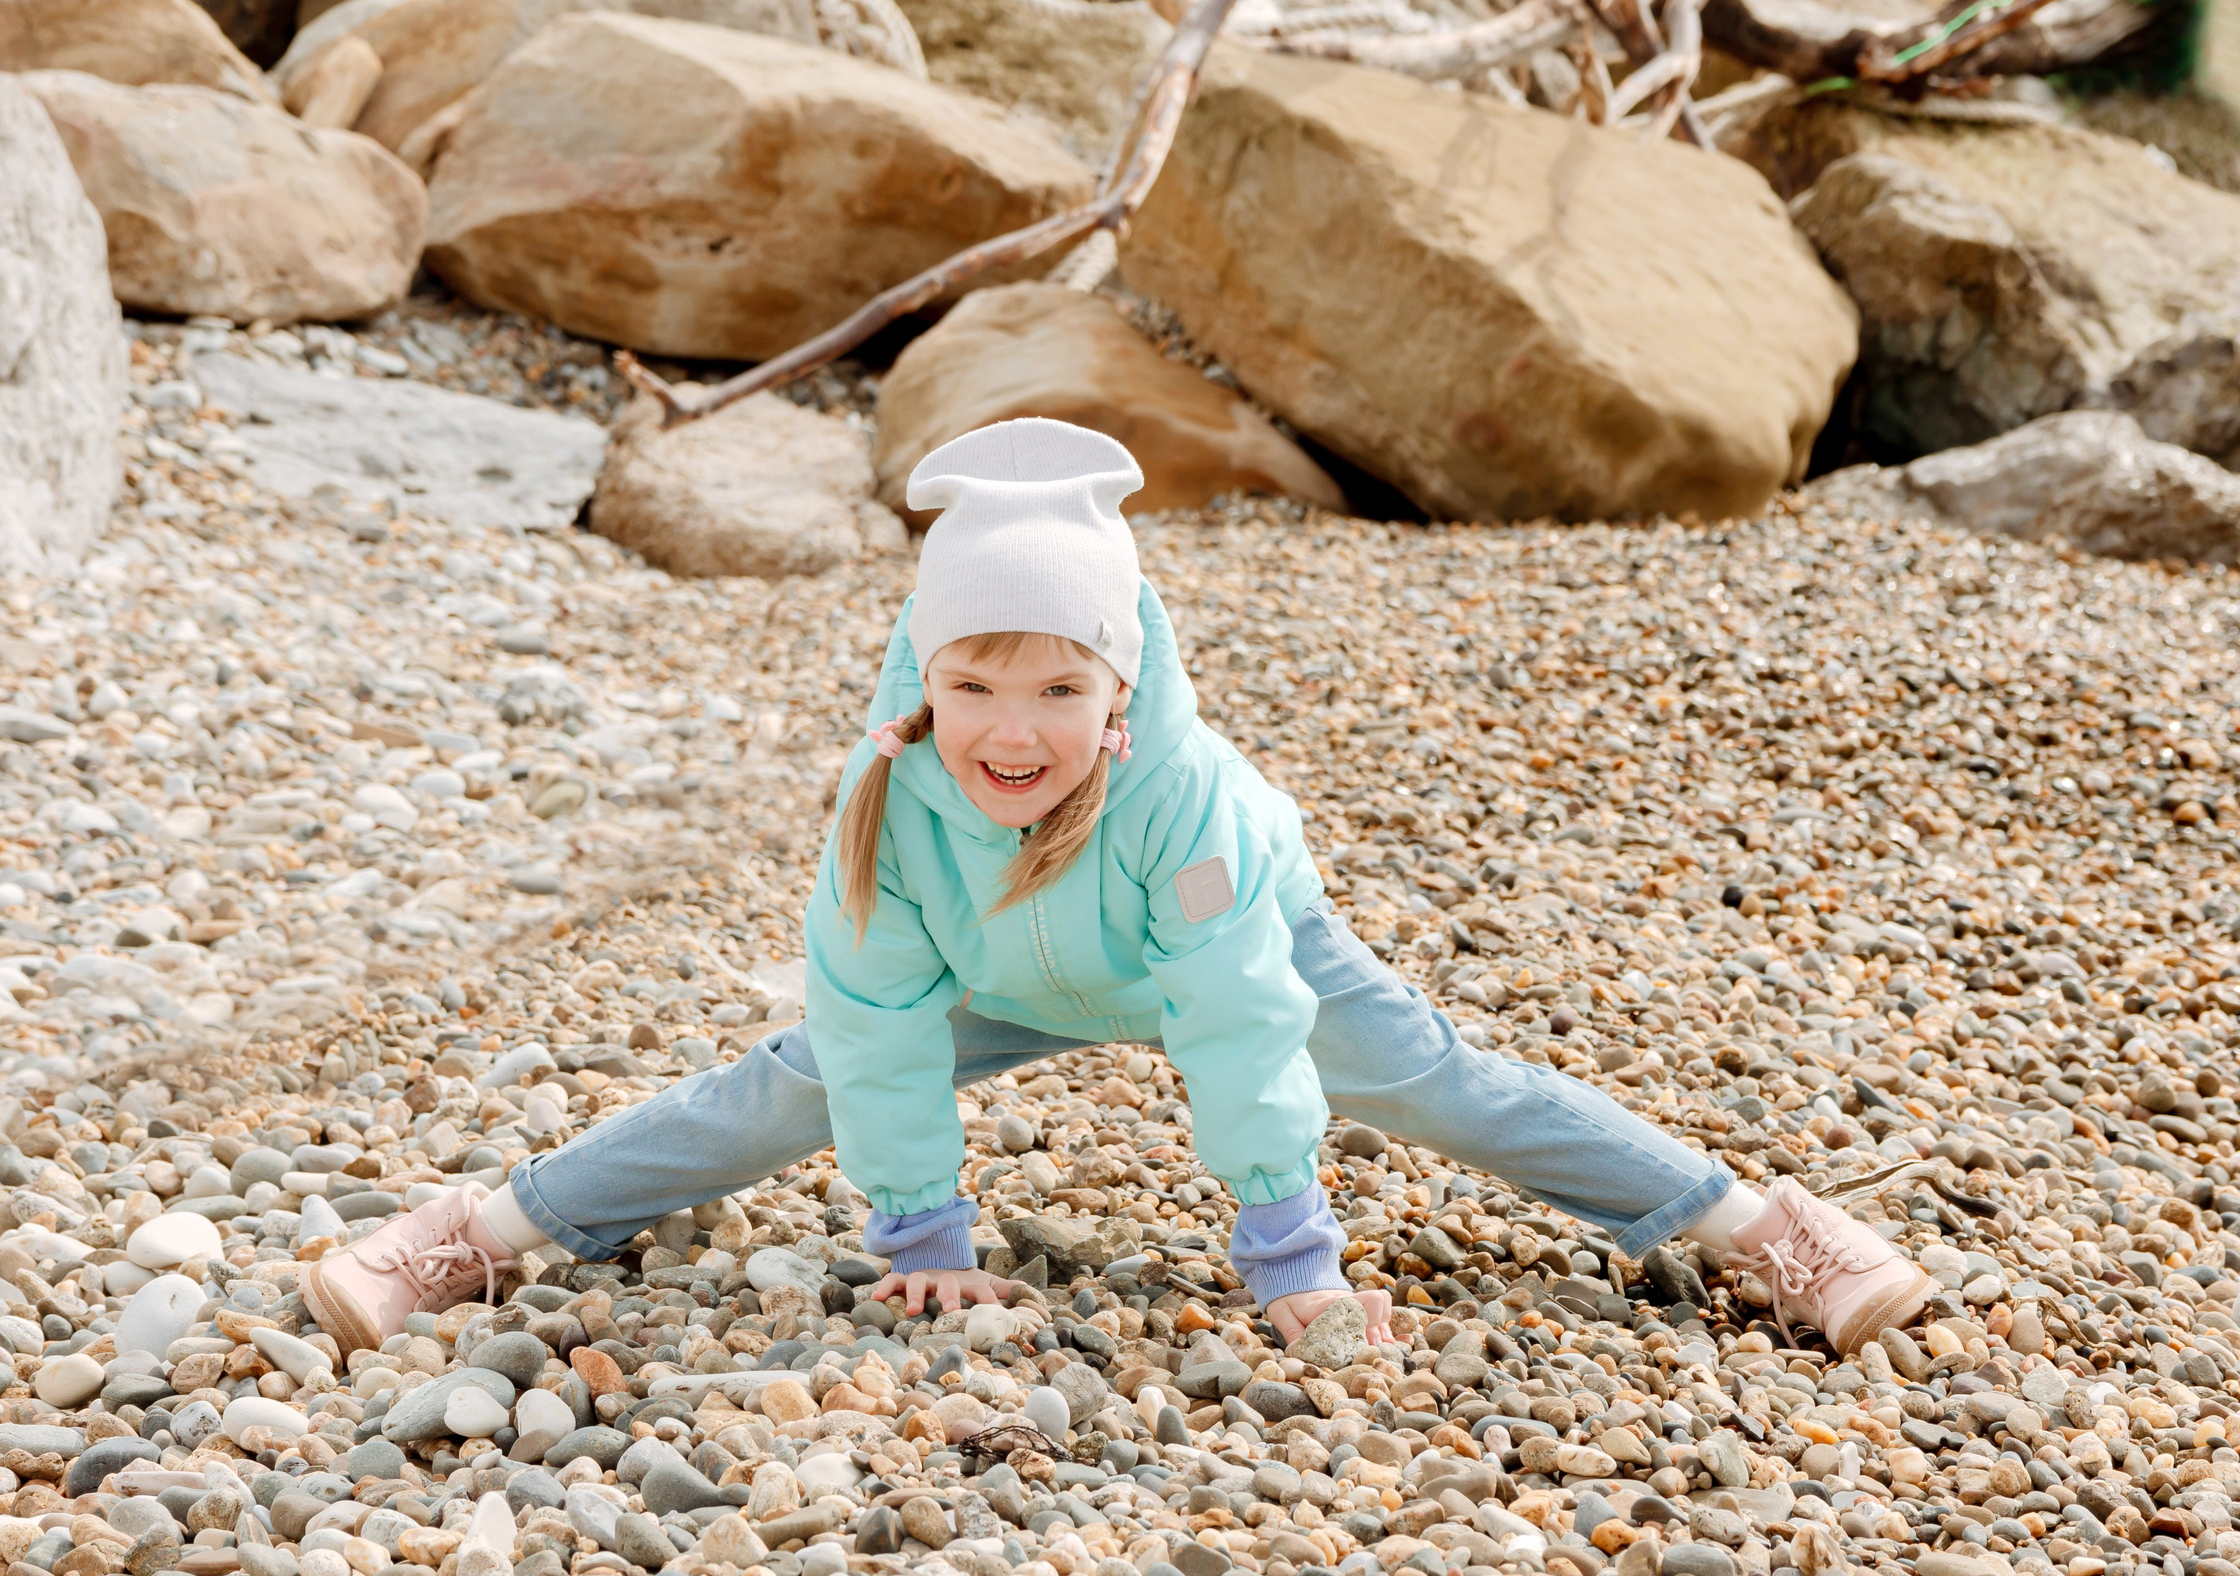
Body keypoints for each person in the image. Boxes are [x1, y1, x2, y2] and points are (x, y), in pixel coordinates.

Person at [303, 419, 1931, 1361]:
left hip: (1212, 949)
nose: (1016, 734)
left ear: (1122, 693)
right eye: (978, 690)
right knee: (777, 1088)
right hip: (998, 971)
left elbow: (1233, 1029)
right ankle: (472, 1230)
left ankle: (1763, 1226)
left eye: (1060, 694)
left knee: (1438, 1084)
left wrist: (1290, 1251)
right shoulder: (889, 797)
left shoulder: (1185, 809)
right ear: (926, 678)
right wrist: (922, 1226)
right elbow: (871, 1023)